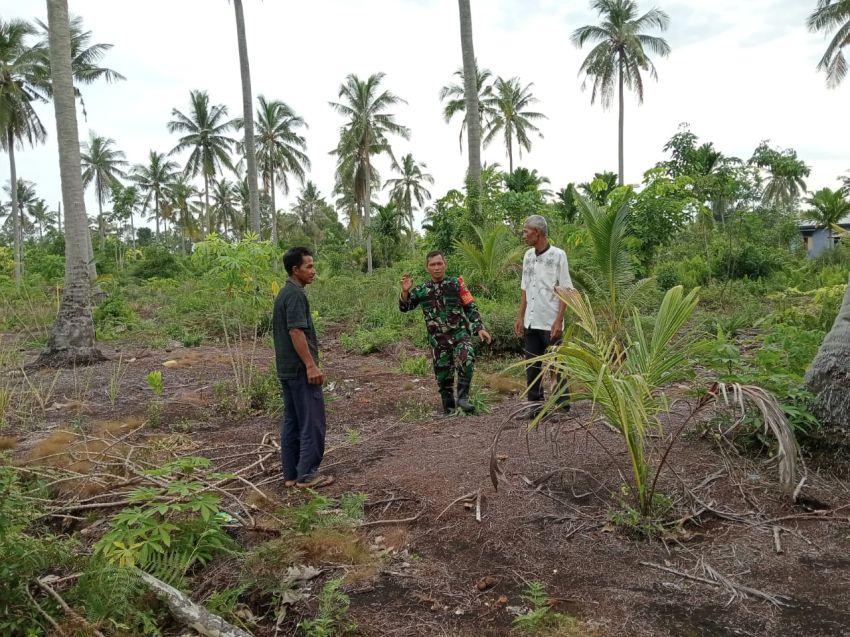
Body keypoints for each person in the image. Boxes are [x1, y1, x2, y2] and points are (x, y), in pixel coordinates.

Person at [400, 250, 492, 414]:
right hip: (438, 340)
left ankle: (463, 398)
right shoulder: (422, 289)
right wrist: (406, 292)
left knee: (467, 358)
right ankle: (449, 411)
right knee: (443, 376)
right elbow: (405, 307)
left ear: (445, 265)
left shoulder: (457, 284)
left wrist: (479, 328)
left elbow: (470, 306)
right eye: (432, 265)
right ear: (427, 268)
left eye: (439, 263)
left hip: (459, 334)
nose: (436, 267)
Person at [272, 246, 333, 488]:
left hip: (287, 369)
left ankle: (291, 475)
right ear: (295, 269)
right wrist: (310, 365)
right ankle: (307, 474)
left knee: (293, 421)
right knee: (312, 421)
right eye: (309, 266)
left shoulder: (284, 293)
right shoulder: (295, 295)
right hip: (299, 370)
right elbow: (296, 331)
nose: (313, 271)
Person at [513, 215, 575, 417]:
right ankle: (535, 407)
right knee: (532, 365)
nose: (524, 235)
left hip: (550, 321)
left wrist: (559, 320)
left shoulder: (558, 256)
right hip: (531, 321)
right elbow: (525, 288)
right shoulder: (528, 256)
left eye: (526, 231)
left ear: (537, 232)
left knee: (556, 365)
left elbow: (565, 290)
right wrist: (520, 317)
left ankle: (562, 407)